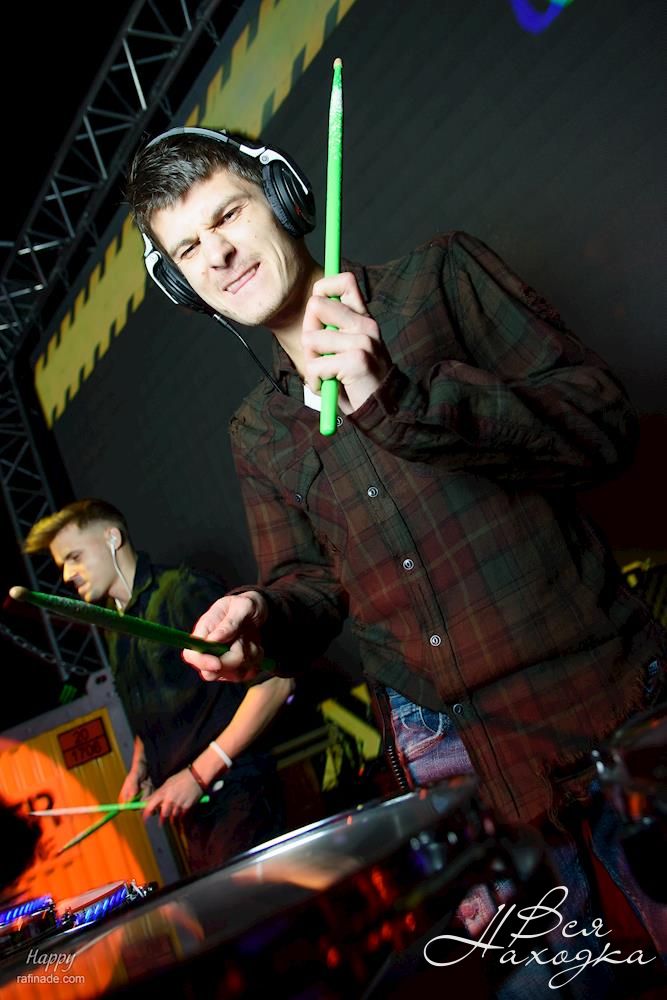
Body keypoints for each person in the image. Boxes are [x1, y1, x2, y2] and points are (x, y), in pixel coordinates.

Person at [124, 128, 666, 993]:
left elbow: (603, 426)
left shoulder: (438, 281)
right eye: (187, 248)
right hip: (461, 779)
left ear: (284, 198)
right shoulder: (256, 432)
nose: (217, 254)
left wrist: (403, 398)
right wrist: (262, 616)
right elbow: (309, 587)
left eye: (227, 215)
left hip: (601, 711)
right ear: (181, 285)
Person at [23, 499, 294, 877]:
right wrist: (143, 765)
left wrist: (197, 774)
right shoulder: (115, 628)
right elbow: (161, 705)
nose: (67, 575)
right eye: (62, 565)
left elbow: (277, 682)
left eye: (74, 557)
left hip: (240, 797)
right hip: (192, 815)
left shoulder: (184, 590)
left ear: (112, 538)